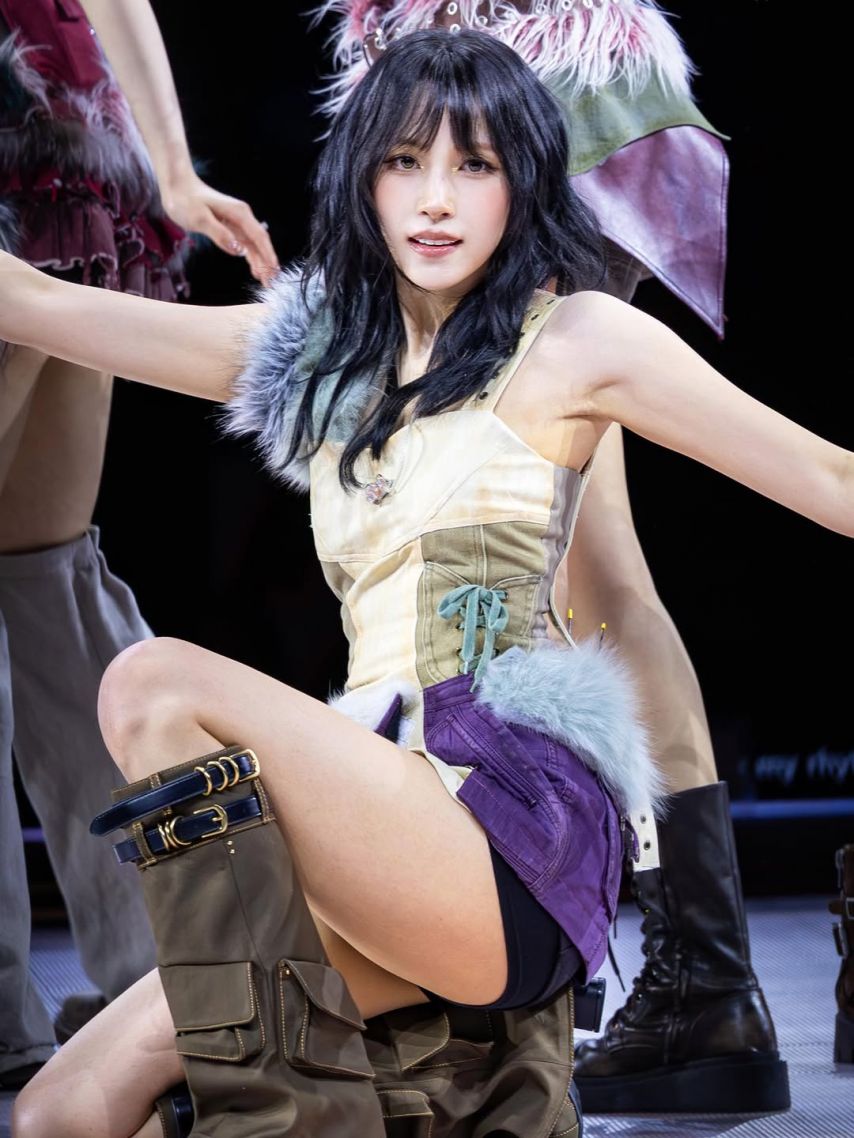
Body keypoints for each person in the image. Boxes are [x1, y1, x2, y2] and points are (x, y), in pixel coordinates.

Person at [4, 26, 850, 1137]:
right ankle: (333, 1087)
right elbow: (39, 306)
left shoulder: (575, 339)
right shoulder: (321, 356)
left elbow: (829, 479)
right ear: (362, 180)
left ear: (523, 182)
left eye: (474, 164)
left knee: (150, 682)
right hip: (381, 827)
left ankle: (289, 1117)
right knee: (59, 1110)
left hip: (512, 826)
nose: (435, 199)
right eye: (404, 162)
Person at [316, 0, 783, 1115]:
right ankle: (689, 971)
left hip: (537, 86)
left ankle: (684, 971)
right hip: (545, 80)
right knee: (586, 565)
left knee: (588, 565)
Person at [0, 0, 277, 1090]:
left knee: (53, 584)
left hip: (33, 128)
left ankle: (65, 1001)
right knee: (52, 585)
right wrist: (166, 166)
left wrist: (172, 168)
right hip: (71, 127)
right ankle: (187, 975)